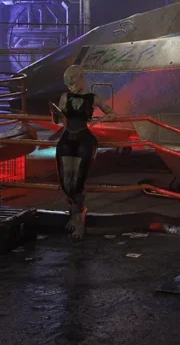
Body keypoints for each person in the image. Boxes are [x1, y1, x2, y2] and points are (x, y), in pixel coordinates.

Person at [52, 65, 115, 241]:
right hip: (67, 139)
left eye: (72, 82)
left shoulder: (93, 98)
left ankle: (80, 217)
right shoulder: (65, 97)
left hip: (85, 140)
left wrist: (100, 119)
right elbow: (58, 120)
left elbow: (112, 113)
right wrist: (55, 114)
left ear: (80, 78)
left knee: (78, 181)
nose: (70, 87)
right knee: (66, 181)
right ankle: (76, 210)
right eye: (67, 84)